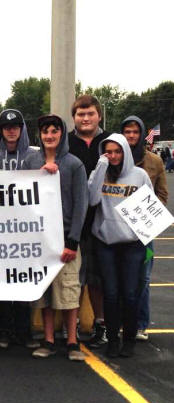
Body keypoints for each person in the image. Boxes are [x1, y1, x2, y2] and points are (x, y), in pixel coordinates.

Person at [23, 115, 88, 361]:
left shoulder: (74, 164)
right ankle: (48, 339)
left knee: (69, 291)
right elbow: (21, 192)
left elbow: (81, 205)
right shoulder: (31, 161)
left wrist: (73, 241)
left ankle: (72, 341)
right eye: (45, 132)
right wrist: (39, 175)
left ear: (62, 134)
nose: (49, 136)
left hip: (65, 238)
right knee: (46, 293)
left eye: (54, 131)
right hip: (40, 238)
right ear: (39, 135)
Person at [88, 134, 152, 358]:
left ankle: (129, 339)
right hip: (106, 243)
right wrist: (101, 166)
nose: (113, 156)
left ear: (125, 152)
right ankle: (113, 339)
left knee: (131, 294)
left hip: (132, 245)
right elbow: (92, 200)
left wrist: (144, 239)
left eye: (117, 152)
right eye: (109, 152)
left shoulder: (139, 175)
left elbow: (149, 209)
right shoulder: (100, 172)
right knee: (111, 293)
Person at [0, 109, 38, 349]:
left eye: (15, 127)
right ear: (0, 130)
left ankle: (24, 331)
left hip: (24, 230)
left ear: (22, 129)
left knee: (23, 281)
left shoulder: (34, 156)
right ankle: (4, 331)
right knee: (1, 282)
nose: (11, 131)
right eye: (6, 127)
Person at [68, 95, 111, 348]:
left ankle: (101, 325)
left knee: (98, 279)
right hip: (73, 222)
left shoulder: (111, 142)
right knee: (74, 278)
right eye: (80, 114)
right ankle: (71, 326)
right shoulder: (66, 142)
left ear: (99, 116)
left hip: (103, 221)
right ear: (74, 117)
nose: (85, 118)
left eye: (90, 113)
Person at [120, 116, 168, 341]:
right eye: (127, 132)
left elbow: (162, 194)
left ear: (141, 134)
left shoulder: (154, 161)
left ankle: (140, 324)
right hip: (118, 230)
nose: (131, 136)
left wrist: (148, 218)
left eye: (135, 132)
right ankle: (120, 322)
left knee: (143, 279)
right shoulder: (115, 157)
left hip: (144, 233)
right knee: (120, 279)